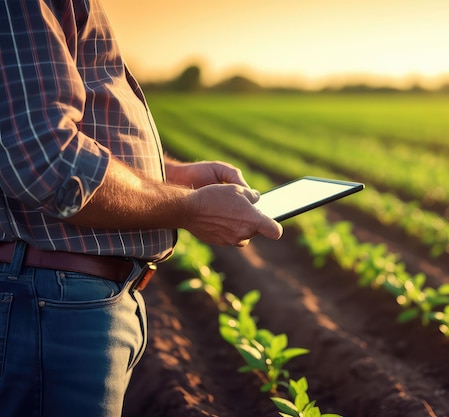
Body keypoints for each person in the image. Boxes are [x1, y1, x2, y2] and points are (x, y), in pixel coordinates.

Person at [0, 1, 283, 416]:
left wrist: (172, 175)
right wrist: (189, 208)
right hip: (51, 300)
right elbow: (45, 158)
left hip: (68, 297)